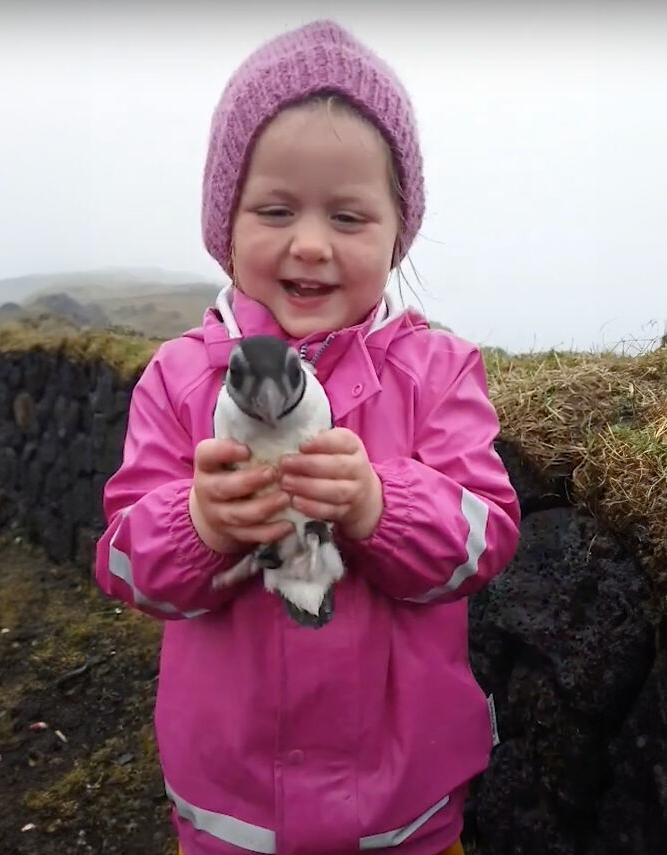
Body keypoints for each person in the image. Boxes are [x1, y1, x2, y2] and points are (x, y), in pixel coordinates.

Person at [95, 19, 520, 855]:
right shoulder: (179, 380)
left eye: (351, 215)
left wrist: (379, 503)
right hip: (232, 818)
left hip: (408, 818)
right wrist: (201, 526)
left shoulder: (438, 373)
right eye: (277, 209)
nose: (312, 244)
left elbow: (487, 538)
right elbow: (121, 562)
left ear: (400, 231)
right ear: (226, 222)